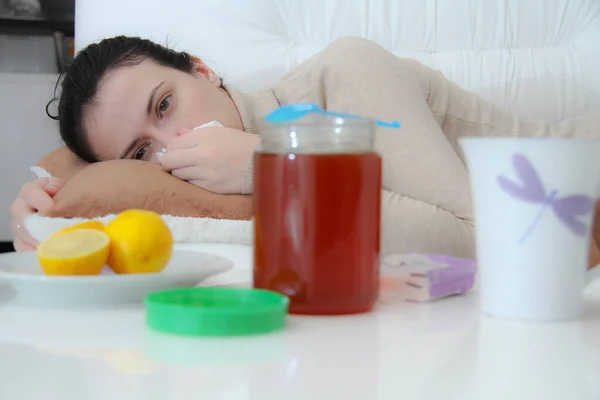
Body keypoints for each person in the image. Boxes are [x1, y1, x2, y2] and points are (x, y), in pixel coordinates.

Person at [10, 36, 600, 262]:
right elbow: (93, 186)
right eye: (141, 152)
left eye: (165, 106)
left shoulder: (344, 73)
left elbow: (478, 241)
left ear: (203, 69)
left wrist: (269, 168)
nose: (173, 145)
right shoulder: (185, 182)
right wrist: (41, 201)